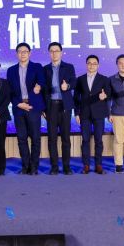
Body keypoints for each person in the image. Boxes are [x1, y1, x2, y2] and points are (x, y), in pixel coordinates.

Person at [7, 43, 46, 175]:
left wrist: (38, 87)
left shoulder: (37, 67)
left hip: (33, 107)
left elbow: (42, 82)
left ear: (29, 53)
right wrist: (18, 103)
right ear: (16, 54)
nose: (22, 54)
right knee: (21, 138)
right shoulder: (11, 70)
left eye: (25, 51)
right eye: (20, 51)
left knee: (35, 138)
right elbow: (10, 91)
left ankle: (34, 167)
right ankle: (25, 166)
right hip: (19, 108)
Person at [43, 42, 76, 175]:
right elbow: (43, 90)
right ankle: (54, 167)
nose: (54, 53)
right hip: (51, 106)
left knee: (65, 138)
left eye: (56, 51)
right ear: (49, 53)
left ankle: (67, 166)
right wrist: (43, 109)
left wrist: (67, 86)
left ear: (61, 53)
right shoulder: (45, 69)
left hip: (65, 106)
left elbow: (74, 82)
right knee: (52, 139)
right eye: (51, 51)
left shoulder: (69, 67)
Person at [73, 55, 110, 174]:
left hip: (99, 113)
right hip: (84, 114)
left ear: (98, 65)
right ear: (86, 65)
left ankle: (99, 165)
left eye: (94, 63)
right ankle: (86, 165)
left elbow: (108, 94)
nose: (91, 65)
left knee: (98, 140)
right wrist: (76, 113)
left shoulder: (104, 79)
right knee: (85, 140)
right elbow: (76, 98)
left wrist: (105, 96)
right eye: (89, 63)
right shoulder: (80, 79)